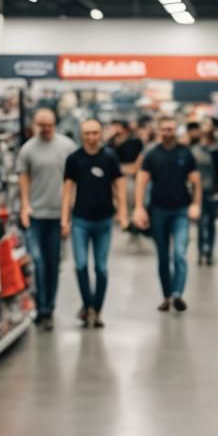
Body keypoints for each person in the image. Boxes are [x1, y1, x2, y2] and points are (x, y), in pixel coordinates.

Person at [61, 118, 128, 328]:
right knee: (80, 266)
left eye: (95, 133)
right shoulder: (74, 159)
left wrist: (123, 213)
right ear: (82, 135)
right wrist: (65, 218)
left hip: (104, 221)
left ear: (101, 134)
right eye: (88, 133)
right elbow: (68, 190)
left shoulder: (109, 157)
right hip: (80, 220)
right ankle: (87, 305)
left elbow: (119, 185)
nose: (92, 137)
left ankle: (97, 310)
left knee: (101, 268)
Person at [132, 116, 201, 312]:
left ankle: (177, 294)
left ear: (176, 130)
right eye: (164, 129)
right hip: (158, 211)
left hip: (180, 211)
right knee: (162, 257)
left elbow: (196, 182)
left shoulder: (185, 153)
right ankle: (166, 296)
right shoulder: (152, 155)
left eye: (171, 129)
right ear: (159, 130)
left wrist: (196, 204)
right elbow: (141, 182)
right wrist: (139, 208)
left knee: (179, 253)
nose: (167, 133)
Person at [16, 108, 75, 329]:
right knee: (38, 262)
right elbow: (24, 178)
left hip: (58, 215)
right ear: (35, 125)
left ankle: (49, 308)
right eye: (42, 125)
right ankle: (40, 307)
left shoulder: (67, 147)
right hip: (36, 215)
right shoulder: (27, 149)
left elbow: (73, 180)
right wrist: (24, 206)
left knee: (53, 264)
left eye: (49, 125)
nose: (46, 129)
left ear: (55, 124)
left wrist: (69, 213)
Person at [188, 119, 218, 265]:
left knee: (211, 222)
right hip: (198, 191)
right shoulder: (195, 148)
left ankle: (209, 251)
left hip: (214, 189)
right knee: (200, 223)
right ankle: (200, 251)